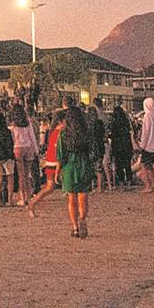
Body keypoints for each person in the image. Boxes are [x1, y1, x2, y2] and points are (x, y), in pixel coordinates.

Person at [57, 101, 95, 238]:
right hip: (83, 164)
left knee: (71, 199)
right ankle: (82, 218)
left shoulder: (63, 134)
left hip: (69, 166)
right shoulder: (87, 133)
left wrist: (58, 171)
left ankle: (75, 227)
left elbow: (60, 155)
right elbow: (92, 151)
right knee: (83, 197)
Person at [137, 96, 154, 194]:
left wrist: (142, 145)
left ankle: (148, 185)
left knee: (143, 164)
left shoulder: (147, 116)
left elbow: (146, 132)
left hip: (148, 146)